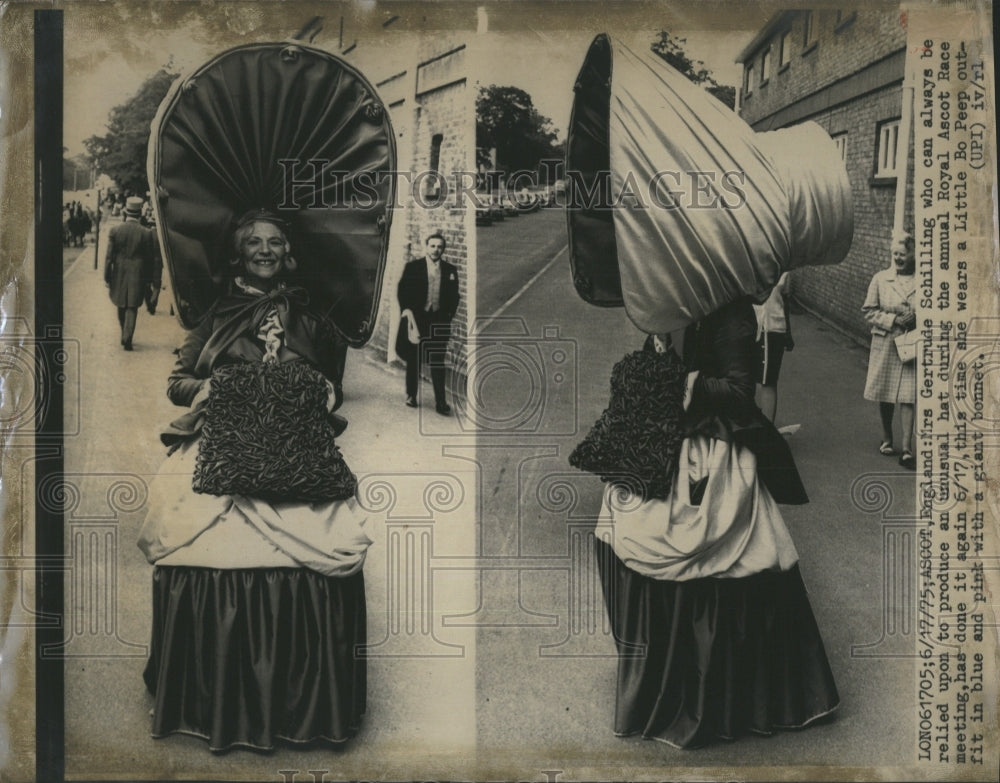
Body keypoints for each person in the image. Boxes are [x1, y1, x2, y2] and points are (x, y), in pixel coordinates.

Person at [137, 210, 371, 751]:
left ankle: (303, 706)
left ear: (288, 253)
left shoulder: (314, 319)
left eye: (275, 243)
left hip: (297, 456)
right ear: (239, 254)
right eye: (254, 243)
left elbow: (334, 390)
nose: (265, 251)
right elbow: (179, 382)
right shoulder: (216, 314)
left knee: (325, 556)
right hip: (222, 454)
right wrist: (224, 390)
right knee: (194, 550)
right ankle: (209, 699)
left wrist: (311, 393)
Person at [595, 296, 839, 748]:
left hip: (715, 450)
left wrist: (683, 379)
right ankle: (661, 682)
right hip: (673, 441)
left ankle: (714, 696)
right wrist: (656, 358)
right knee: (620, 529)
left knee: (726, 557)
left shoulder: (731, 313)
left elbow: (740, 392)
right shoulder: (674, 305)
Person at [862, 234, 917, 469]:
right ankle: (887, 438)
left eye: (902, 254)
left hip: (911, 344)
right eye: (895, 254)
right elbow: (868, 311)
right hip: (886, 343)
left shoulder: (924, 281)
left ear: (913, 254)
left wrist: (917, 317)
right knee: (886, 394)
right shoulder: (881, 279)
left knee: (908, 395)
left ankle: (906, 448)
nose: (898, 258)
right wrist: (894, 318)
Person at [396, 232, 460, 414]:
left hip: (438, 320)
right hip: (418, 319)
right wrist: (407, 311)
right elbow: (402, 291)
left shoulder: (450, 271)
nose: (436, 250)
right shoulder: (413, 268)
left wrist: (447, 316)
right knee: (414, 358)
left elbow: (455, 296)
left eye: (439, 247)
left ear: (443, 249)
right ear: (426, 247)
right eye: (432, 246)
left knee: (437, 361)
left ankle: (441, 402)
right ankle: (411, 395)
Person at [104, 196, 160, 350]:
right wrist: (149, 280)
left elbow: (109, 257)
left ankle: (124, 332)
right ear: (140, 213)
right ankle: (127, 337)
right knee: (132, 306)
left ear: (125, 212)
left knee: (121, 303)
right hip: (138, 272)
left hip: (119, 272)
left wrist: (107, 276)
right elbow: (150, 259)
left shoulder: (115, 230)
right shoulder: (146, 233)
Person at [753, 271, 793, 422]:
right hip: (750, 326)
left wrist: (788, 332)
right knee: (751, 378)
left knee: (767, 380)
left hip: (771, 329)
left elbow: (785, 300)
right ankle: (754, 424)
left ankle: (767, 431)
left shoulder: (784, 266)